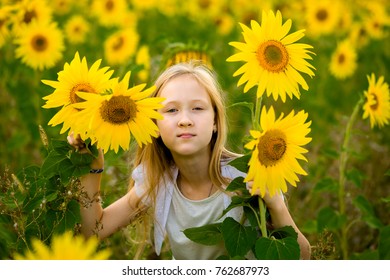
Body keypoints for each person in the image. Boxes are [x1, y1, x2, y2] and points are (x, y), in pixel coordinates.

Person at [67, 61, 311, 260]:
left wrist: (276, 205)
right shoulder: (157, 184)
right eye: (171, 110)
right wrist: (93, 168)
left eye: (197, 108)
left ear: (215, 121)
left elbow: (301, 258)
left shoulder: (245, 178)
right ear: (155, 125)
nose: (184, 119)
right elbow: (92, 232)